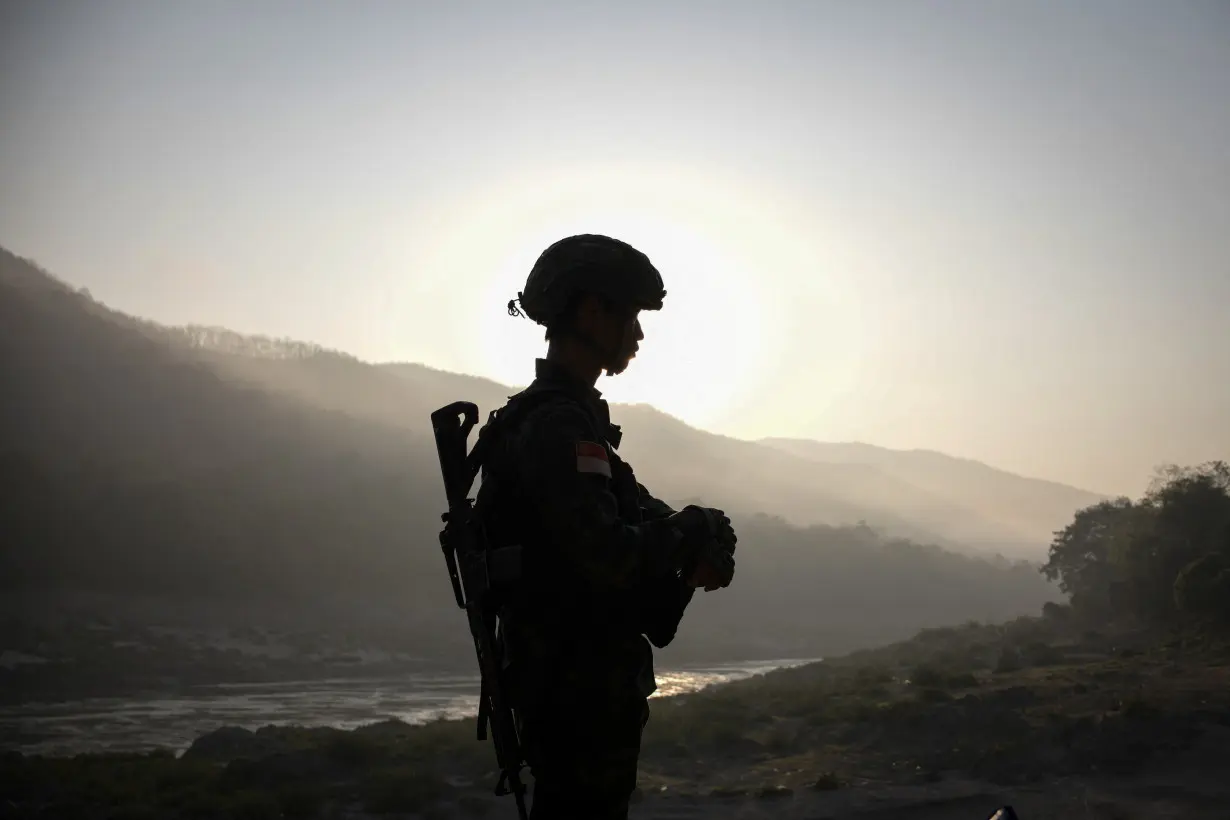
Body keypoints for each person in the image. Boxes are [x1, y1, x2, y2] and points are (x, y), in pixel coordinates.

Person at [474, 234, 738, 819]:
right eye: (632, 317)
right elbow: (608, 553)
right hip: (576, 697)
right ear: (592, 311)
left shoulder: (568, 423)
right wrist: (689, 529)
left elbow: (638, 513)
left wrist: (700, 533)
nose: (639, 336)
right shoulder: (558, 427)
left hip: (579, 693)